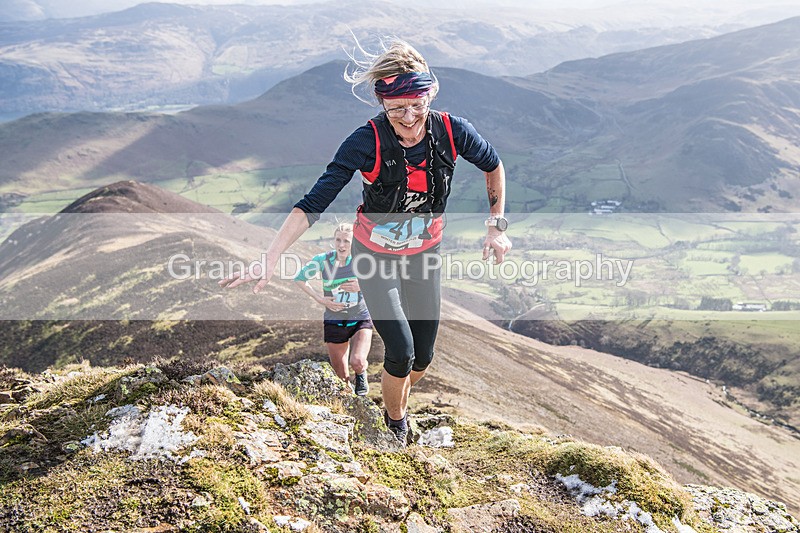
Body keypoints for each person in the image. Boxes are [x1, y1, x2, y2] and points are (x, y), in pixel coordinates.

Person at [220, 38, 512, 445]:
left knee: (422, 356)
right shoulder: (366, 141)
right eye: (396, 109)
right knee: (402, 350)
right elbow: (313, 203)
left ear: (430, 93)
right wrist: (269, 258)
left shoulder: (451, 130)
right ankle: (395, 428)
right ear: (382, 104)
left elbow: (493, 164)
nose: (409, 117)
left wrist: (496, 225)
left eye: (417, 104)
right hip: (374, 257)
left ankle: (397, 405)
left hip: (424, 254)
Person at [294, 222, 373, 395]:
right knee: (341, 377)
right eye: (338, 240)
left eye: (347, 241)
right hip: (334, 320)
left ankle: (361, 376)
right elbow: (300, 278)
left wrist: (362, 286)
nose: (342, 245)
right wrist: (320, 299)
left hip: (360, 317)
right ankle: (353, 409)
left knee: (358, 361)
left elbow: (382, 280)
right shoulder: (323, 260)